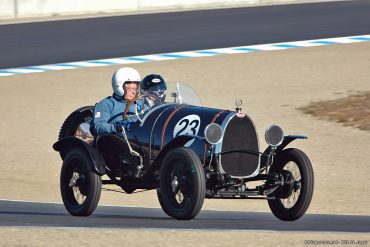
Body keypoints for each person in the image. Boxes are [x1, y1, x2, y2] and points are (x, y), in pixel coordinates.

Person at [92, 67, 142, 136]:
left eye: (135, 88)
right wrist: (118, 126)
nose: (134, 92)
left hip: (141, 139)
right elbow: (99, 127)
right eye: (130, 89)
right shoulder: (106, 104)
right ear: (119, 86)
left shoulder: (141, 103)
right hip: (117, 141)